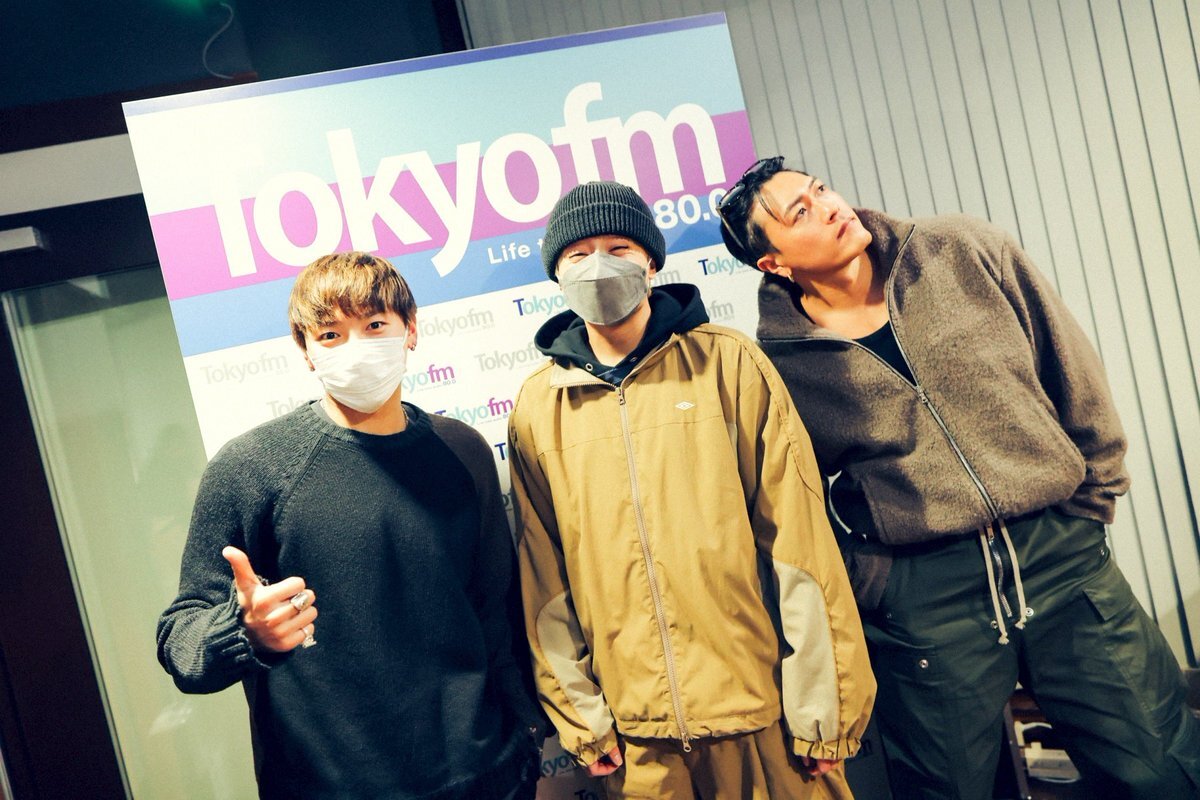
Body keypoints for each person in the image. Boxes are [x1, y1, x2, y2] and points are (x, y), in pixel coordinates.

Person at [715, 156, 1200, 799]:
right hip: (928, 599)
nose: (830, 206)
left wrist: (1094, 494)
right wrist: (873, 579)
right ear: (773, 262)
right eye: (800, 211)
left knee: (1159, 766)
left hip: (1060, 557)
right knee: (947, 790)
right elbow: (792, 495)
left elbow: (1069, 365)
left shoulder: (960, 250)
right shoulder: (780, 362)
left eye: (820, 189)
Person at [507, 181, 875, 799]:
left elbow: (799, 542)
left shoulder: (729, 364)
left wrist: (823, 706)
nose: (598, 266)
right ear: (556, 273)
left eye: (619, 248)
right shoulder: (540, 407)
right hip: (638, 740)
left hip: (761, 715)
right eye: (578, 254)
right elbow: (544, 575)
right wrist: (582, 719)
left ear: (651, 261)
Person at [157, 252, 542, 800]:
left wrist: (524, 735)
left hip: (486, 776)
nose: (356, 348)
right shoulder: (251, 468)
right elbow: (181, 640)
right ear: (305, 350)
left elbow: (495, 608)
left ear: (411, 330)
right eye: (331, 334)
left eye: (375, 325)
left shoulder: (462, 450)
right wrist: (243, 631)